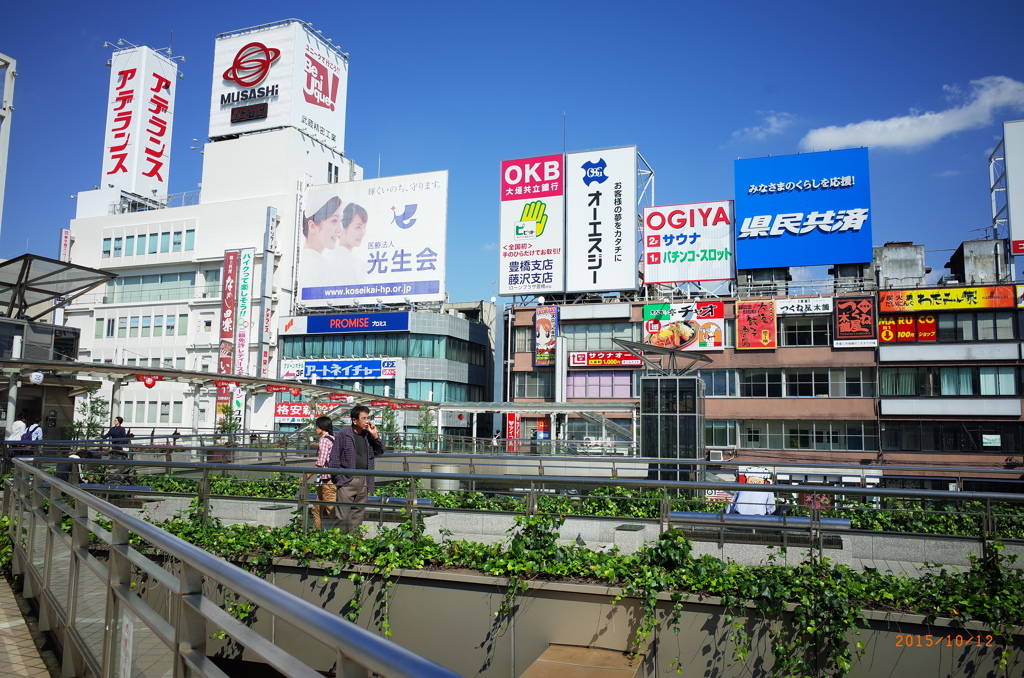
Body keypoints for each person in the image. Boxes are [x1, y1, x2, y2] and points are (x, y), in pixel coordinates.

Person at [331, 405, 386, 533]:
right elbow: (334, 458)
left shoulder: (368, 435)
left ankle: (353, 545)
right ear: (354, 420)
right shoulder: (343, 435)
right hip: (347, 479)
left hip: (364, 479)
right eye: (364, 418)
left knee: (358, 516)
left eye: (368, 418)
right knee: (342, 517)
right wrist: (339, 479)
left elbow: (380, 451)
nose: (367, 421)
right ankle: (338, 544)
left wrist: (375, 435)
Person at [298, 187, 343, 292]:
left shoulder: (302, 262)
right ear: (312, 226)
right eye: (334, 220)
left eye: (341, 220)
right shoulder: (320, 266)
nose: (340, 229)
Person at [306, 416, 337, 530]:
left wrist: (307, 476)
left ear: (322, 427)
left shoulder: (324, 440)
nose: (315, 429)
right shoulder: (333, 438)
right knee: (317, 508)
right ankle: (316, 532)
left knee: (331, 509)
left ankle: (343, 534)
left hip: (327, 479)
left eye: (317, 426)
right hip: (328, 478)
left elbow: (320, 462)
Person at [331, 203, 368, 287]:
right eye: (358, 227)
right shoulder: (348, 263)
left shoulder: (356, 262)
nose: (363, 233)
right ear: (342, 228)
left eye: (364, 227)